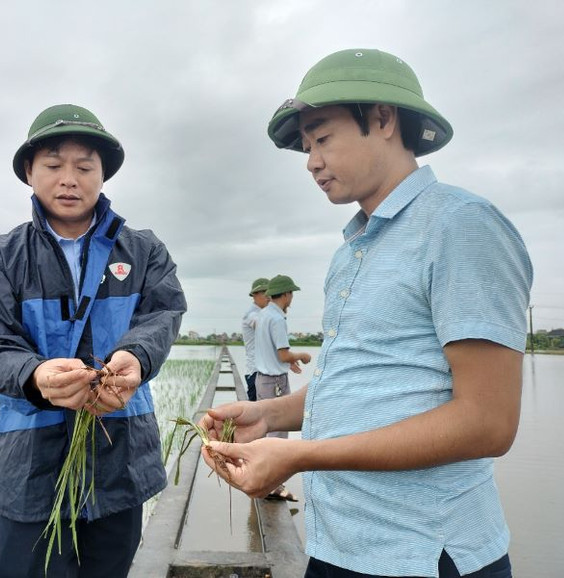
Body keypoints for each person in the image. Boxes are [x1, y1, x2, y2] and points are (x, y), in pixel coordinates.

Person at [199, 49, 532, 578]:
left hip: (423, 554)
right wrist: (272, 416)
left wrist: (300, 455)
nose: (311, 161)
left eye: (323, 138)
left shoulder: (461, 226)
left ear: (383, 119)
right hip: (339, 543)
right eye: (306, 147)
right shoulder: (351, 251)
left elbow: (487, 422)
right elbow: (362, 382)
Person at [0, 103, 187, 578]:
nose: (69, 179)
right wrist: (34, 375)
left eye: (84, 166)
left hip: (120, 456)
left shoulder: (143, 251)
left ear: (103, 175)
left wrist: (134, 357)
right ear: (29, 172)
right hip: (32, 466)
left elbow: (162, 314)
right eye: (54, 165)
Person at [253, 273, 311, 501]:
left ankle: (264, 481)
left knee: (266, 430)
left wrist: (288, 363)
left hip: (263, 378)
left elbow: (274, 354)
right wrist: (302, 355)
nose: (291, 299)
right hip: (274, 382)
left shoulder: (263, 314)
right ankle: (273, 485)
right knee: (278, 435)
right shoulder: (276, 318)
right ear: (286, 294)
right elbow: (283, 352)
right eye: (291, 295)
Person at [241, 277, 270, 401]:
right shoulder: (252, 314)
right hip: (256, 372)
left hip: (266, 372)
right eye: (265, 293)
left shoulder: (265, 313)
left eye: (271, 293)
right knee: (256, 412)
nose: (269, 297)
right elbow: (261, 324)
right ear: (254, 295)